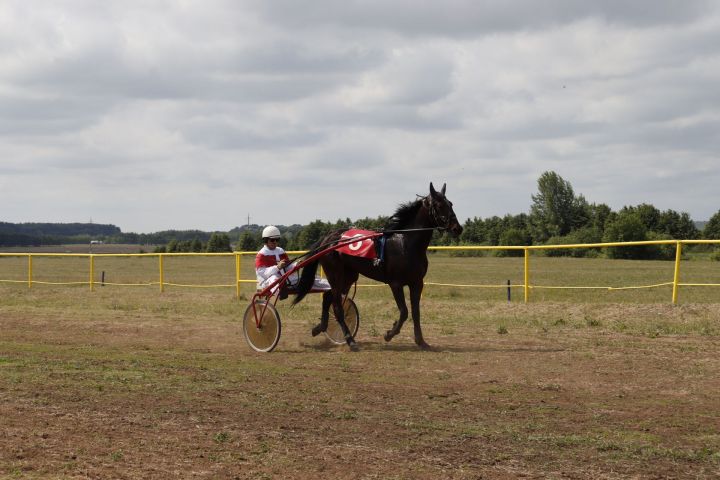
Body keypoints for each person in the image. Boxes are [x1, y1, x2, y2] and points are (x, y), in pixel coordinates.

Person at [255, 225, 330, 295]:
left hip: (286, 280)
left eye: (277, 239)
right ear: (265, 240)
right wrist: (277, 267)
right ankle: (280, 291)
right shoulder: (261, 254)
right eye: (272, 240)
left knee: (311, 278)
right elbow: (262, 273)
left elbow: (287, 267)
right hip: (267, 283)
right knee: (274, 278)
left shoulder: (280, 251)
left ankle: (333, 285)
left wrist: (296, 265)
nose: (275, 242)